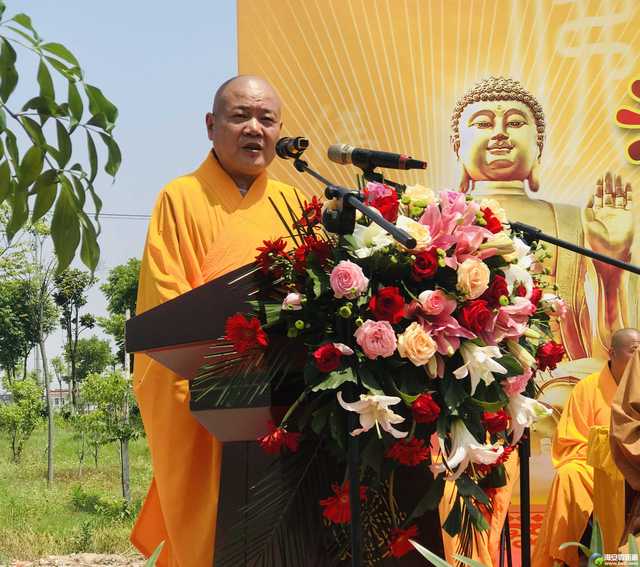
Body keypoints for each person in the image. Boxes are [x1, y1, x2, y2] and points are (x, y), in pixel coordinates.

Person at [130, 75, 300, 567]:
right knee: (207, 541)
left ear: (280, 130)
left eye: (266, 119)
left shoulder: (295, 205)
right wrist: (227, 372)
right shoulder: (179, 198)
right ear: (211, 126)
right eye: (240, 116)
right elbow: (166, 309)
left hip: (284, 399)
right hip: (206, 394)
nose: (254, 129)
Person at [532, 328, 640, 567]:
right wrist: (606, 450)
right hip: (594, 467)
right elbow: (570, 442)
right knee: (569, 476)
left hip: (636, 467)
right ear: (612, 352)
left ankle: (625, 558)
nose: (639, 355)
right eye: (634, 350)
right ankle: (564, 557)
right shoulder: (588, 388)